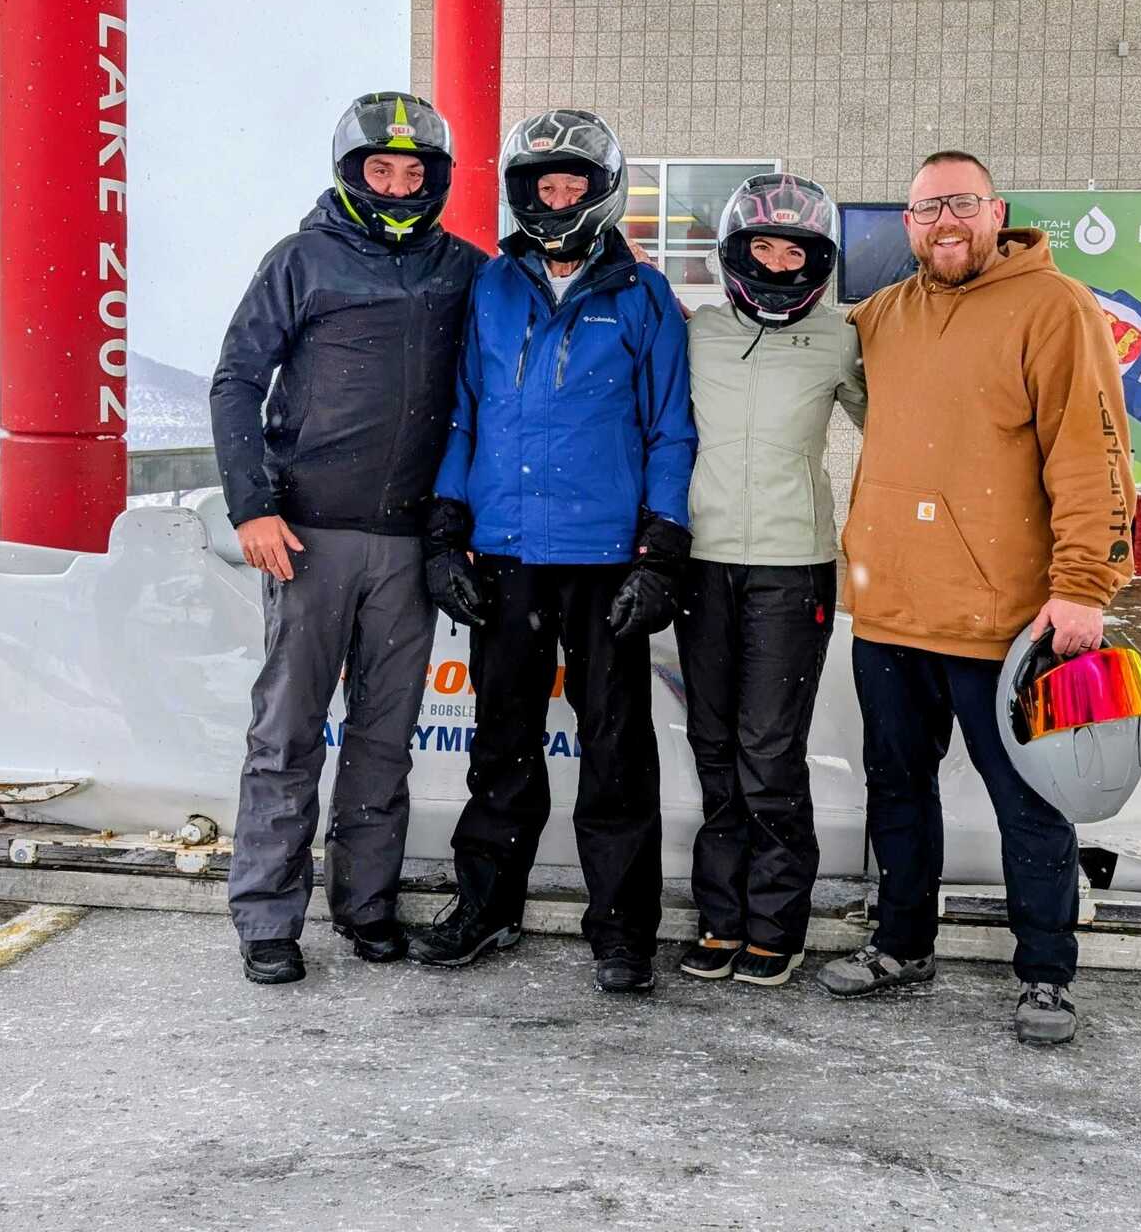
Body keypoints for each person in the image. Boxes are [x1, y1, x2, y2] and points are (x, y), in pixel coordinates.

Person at [816, 150, 1137, 1045]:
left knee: (1030, 803)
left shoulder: (1056, 307)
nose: (945, 223)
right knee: (897, 790)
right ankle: (901, 945)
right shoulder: (884, 315)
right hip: (891, 610)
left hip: (1009, 621)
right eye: (927, 210)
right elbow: (798, 342)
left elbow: (1094, 455)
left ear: (997, 212)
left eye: (961, 204)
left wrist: (1084, 586)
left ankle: (1045, 974)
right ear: (908, 226)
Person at [414, 108, 696, 993]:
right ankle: (487, 907)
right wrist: (446, 530)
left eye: (575, 185)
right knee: (502, 743)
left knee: (616, 751)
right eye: (546, 185)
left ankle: (622, 931)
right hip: (506, 554)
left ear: (601, 193)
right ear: (522, 193)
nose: (560, 198)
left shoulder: (644, 296)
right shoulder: (492, 288)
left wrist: (661, 548)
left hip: (605, 559)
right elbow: (464, 412)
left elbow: (671, 428)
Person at [209, 93, 486, 986]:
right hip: (308, 536)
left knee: (384, 736)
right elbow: (236, 380)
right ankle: (267, 917)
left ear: (436, 179)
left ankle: (366, 905)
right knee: (288, 733)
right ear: (351, 173)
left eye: (413, 172)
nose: (398, 186)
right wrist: (252, 505)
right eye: (381, 170)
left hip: (407, 541)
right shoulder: (301, 260)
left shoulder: (463, 268)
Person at [672, 173, 864, 988]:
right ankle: (721, 917)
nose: (778, 263)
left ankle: (776, 924)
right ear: (735, 252)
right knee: (713, 746)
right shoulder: (699, 333)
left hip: (793, 568)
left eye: (795, 251)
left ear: (817, 261)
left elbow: (900, 427)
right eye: (763, 247)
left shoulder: (841, 338)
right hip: (703, 561)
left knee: (769, 750)